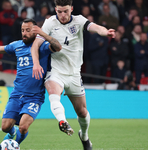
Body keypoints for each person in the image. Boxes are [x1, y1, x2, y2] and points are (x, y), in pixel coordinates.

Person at [31, 0, 115, 149]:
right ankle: (62, 121)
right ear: (56, 9)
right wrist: (36, 63)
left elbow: (94, 27)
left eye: (66, 11)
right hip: (56, 71)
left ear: (71, 9)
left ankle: (84, 136)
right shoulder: (50, 23)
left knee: (82, 112)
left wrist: (105, 31)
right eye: (59, 12)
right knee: (52, 92)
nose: (62, 15)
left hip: (74, 74)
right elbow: (36, 44)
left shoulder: (79, 20)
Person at [0, 18, 61, 145]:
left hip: (34, 96)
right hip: (16, 94)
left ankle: (16, 145)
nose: (24, 33)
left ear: (35, 31)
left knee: (24, 126)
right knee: (5, 127)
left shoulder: (42, 47)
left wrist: (43, 34)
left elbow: (58, 47)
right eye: (22, 30)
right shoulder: (17, 45)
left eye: (28, 30)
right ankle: (12, 133)